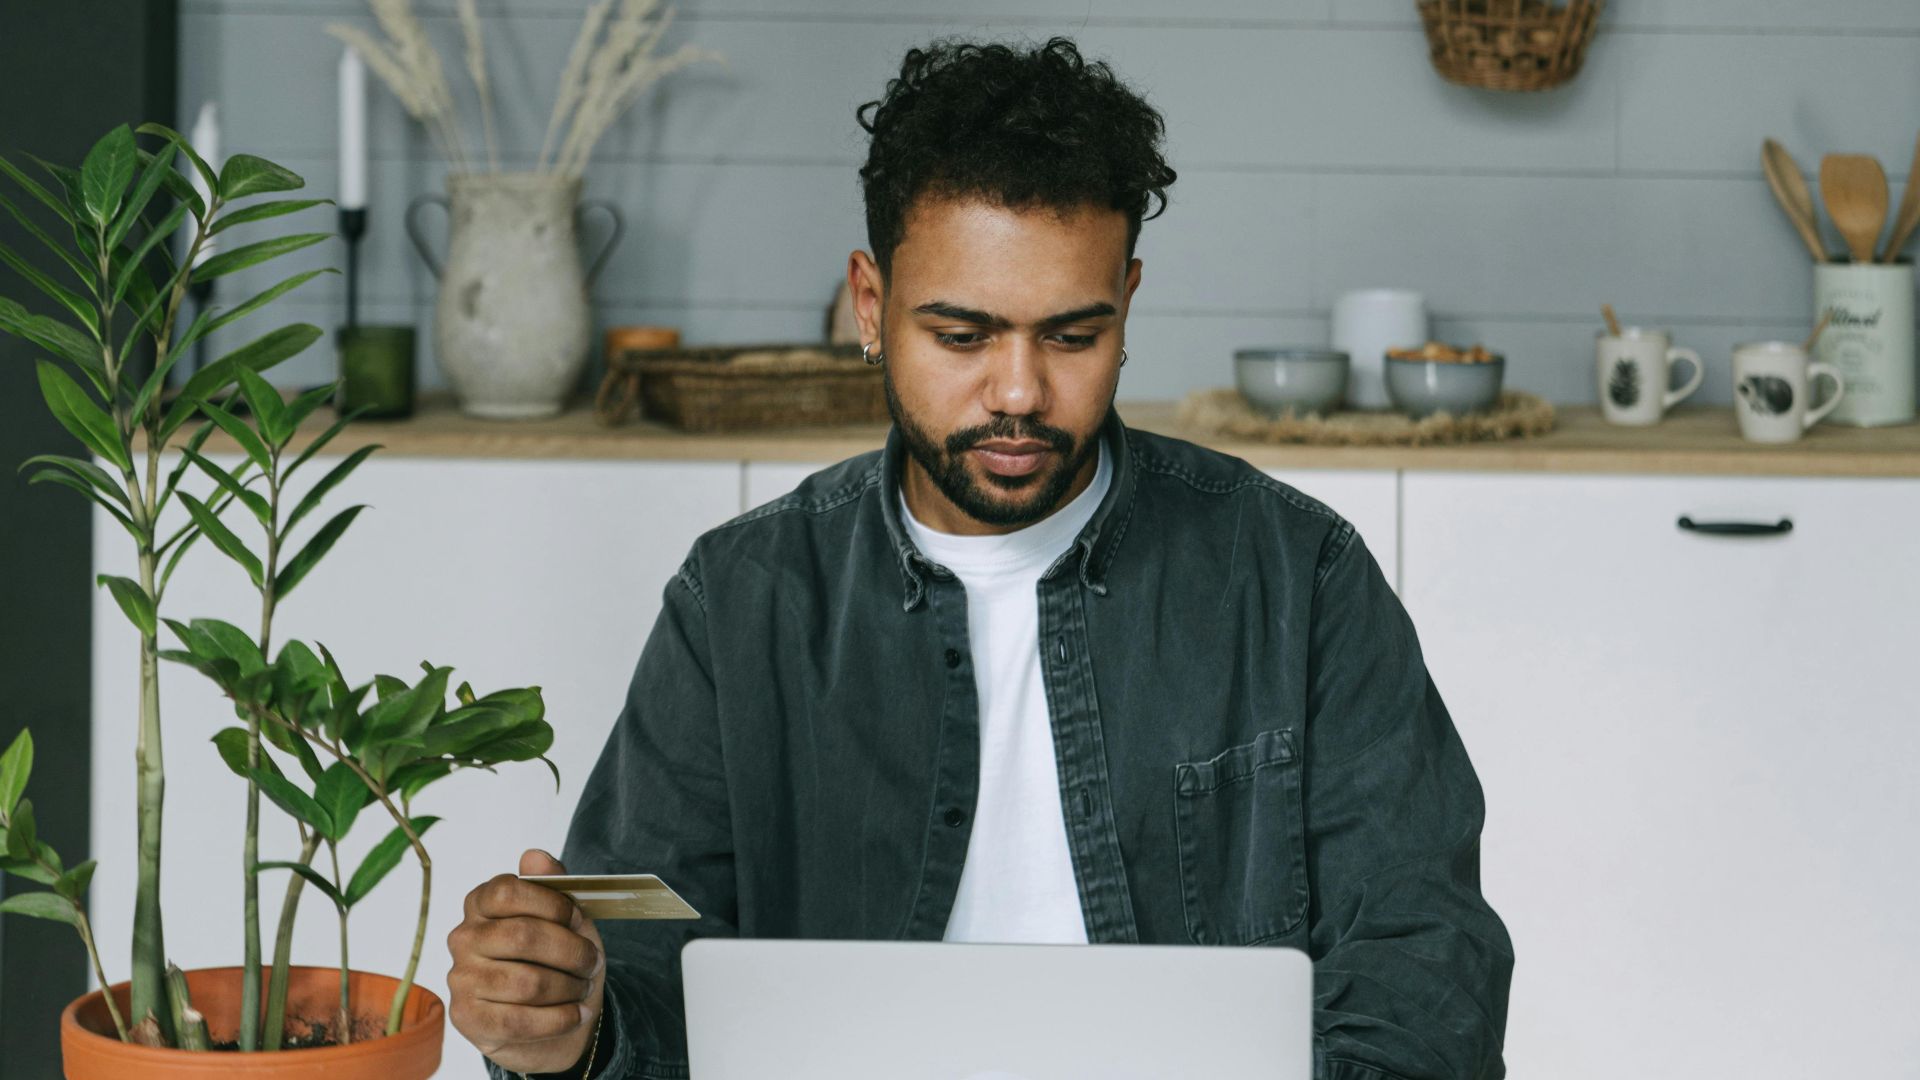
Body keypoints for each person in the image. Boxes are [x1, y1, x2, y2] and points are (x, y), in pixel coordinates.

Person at [449, 35, 1513, 1080]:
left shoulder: (1296, 577)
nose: (1017, 392)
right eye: (962, 336)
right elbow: (642, 927)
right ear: (872, 308)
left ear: (1128, 305)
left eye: (1071, 336)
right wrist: (571, 1026)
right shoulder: (740, 602)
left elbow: (1426, 960)